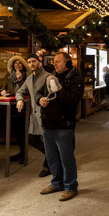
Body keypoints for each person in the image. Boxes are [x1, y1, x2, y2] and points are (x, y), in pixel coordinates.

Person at [37, 51, 84, 201]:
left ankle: (70, 186)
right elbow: (38, 93)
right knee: (51, 158)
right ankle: (56, 182)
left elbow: (73, 100)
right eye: (54, 62)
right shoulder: (50, 76)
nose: (54, 64)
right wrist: (40, 100)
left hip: (64, 125)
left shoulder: (76, 78)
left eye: (58, 61)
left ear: (67, 63)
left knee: (66, 158)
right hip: (48, 124)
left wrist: (59, 90)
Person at [17, 55, 51, 177]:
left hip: (46, 114)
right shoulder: (29, 78)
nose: (32, 64)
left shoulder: (47, 76)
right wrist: (19, 100)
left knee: (47, 141)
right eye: (29, 62)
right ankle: (52, 157)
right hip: (35, 114)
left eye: (34, 61)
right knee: (32, 139)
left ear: (39, 62)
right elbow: (20, 91)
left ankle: (48, 165)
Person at [1, 55, 29, 162]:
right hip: (11, 105)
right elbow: (2, 87)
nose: (17, 65)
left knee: (23, 130)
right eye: (15, 63)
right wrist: (2, 91)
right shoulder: (8, 74)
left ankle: (24, 154)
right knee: (16, 130)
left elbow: (25, 90)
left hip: (24, 105)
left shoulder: (27, 75)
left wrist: (20, 80)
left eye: (19, 63)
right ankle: (21, 153)